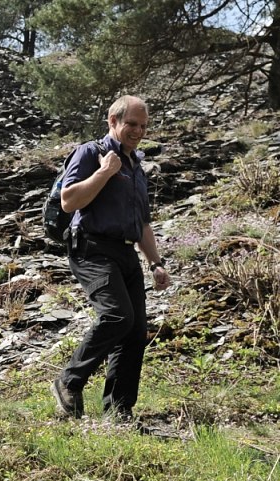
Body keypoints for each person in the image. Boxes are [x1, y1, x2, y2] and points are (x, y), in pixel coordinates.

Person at [51, 95, 172, 421]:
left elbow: (143, 223)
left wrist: (156, 263)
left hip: (125, 251)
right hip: (91, 247)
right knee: (118, 316)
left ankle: (118, 412)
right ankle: (68, 380)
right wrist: (104, 172)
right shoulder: (91, 153)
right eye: (131, 124)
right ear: (113, 121)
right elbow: (68, 201)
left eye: (143, 126)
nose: (138, 131)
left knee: (134, 332)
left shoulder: (136, 167)